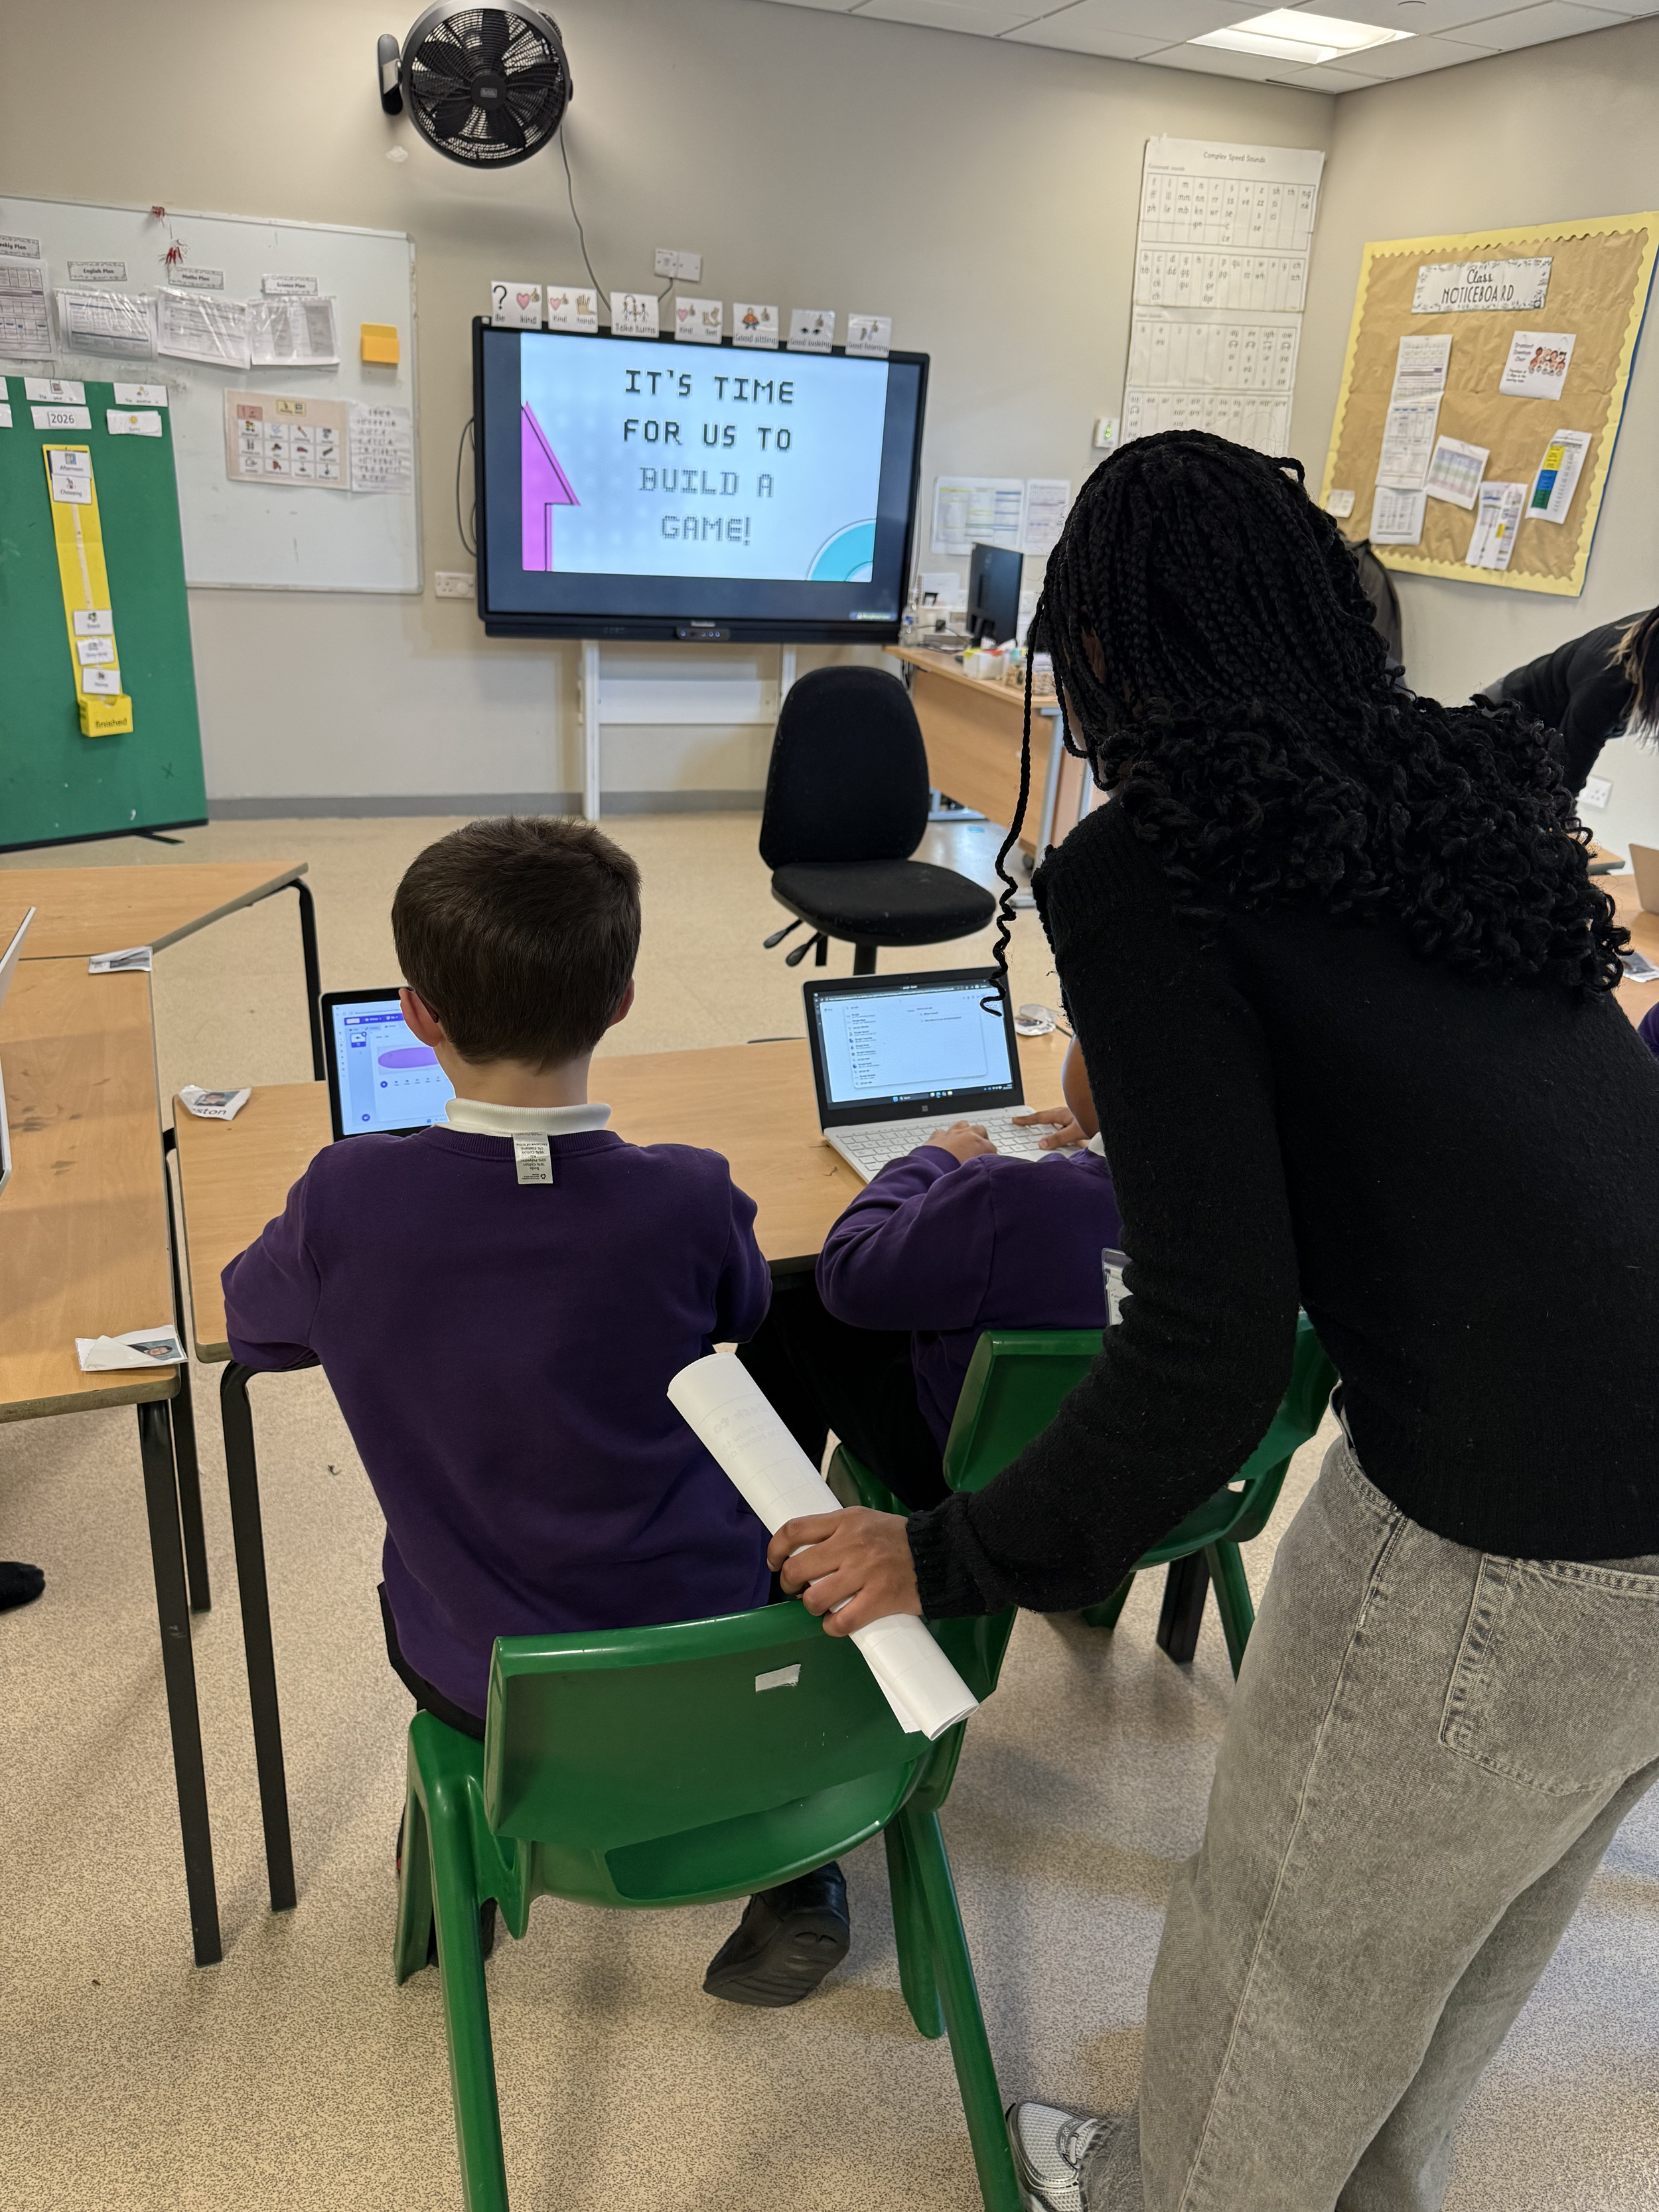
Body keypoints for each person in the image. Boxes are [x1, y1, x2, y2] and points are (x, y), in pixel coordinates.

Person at [763, 431, 1659, 2210]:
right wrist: (1622, 651)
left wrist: (941, 1552)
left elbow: (1205, 1351)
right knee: (1475, 1925)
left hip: (1502, 1530)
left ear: (1096, 657)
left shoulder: (1148, 868)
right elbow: (1547, 710)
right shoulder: (1458, 776)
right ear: (1327, 605)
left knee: (1291, 1955)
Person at [222, 816, 849, 2008]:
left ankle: (458, 1860)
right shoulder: (689, 1193)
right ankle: (801, 1879)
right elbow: (747, 1306)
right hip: (717, 1639)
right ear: (621, 1001)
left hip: (489, 1671)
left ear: (416, 1016)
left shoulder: (346, 1202)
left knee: (433, 1600)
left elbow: (253, 1325)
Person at [737, 1037, 1121, 1503]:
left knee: (789, 1296)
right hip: (1147, 1473)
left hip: (969, 1477)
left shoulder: (1006, 1196)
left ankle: (776, 1529)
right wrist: (1103, 1125)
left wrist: (934, 1158)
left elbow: (845, 1270)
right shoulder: (1202, 1197)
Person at [1482, 607, 1659, 793]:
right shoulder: (1609, 687)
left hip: (1539, 738)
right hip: (1503, 719)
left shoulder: (1647, 635)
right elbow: (1564, 784)